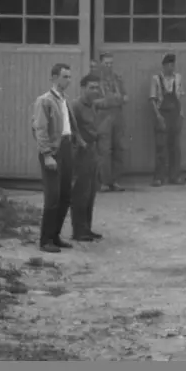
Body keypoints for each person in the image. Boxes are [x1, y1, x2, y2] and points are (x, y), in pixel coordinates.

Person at [31, 63, 84, 254]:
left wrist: (78, 140)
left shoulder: (64, 100)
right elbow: (40, 129)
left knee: (65, 196)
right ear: (54, 77)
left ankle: (55, 236)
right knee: (53, 197)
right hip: (53, 151)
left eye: (70, 77)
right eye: (64, 77)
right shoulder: (44, 101)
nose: (68, 80)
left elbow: (69, 125)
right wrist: (47, 155)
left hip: (67, 148)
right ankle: (45, 240)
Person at [69, 73, 105, 242]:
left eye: (97, 87)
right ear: (83, 88)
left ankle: (87, 228)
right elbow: (70, 131)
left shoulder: (93, 106)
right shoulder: (75, 106)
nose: (95, 91)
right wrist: (80, 144)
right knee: (80, 194)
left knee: (91, 193)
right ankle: (78, 231)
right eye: (91, 87)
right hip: (81, 155)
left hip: (93, 153)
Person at [95, 51, 129, 192]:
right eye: (106, 63)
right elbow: (93, 101)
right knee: (104, 150)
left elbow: (126, 97)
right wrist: (113, 100)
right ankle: (104, 182)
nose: (109, 66)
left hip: (118, 117)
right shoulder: (94, 80)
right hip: (103, 118)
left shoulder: (117, 79)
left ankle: (115, 180)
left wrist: (115, 99)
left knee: (118, 148)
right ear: (100, 64)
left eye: (111, 63)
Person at [150, 53, 184, 187]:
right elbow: (152, 100)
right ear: (163, 66)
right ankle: (159, 177)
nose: (171, 67)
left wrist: (181, 114)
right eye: (169, 65)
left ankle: (174, 176)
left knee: (175, 147)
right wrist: (158, 116)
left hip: (175, 116)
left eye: (173, 65)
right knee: (161, 147)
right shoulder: (156, 79)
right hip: (162, 114)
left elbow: (180, 98)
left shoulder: (178, 78)